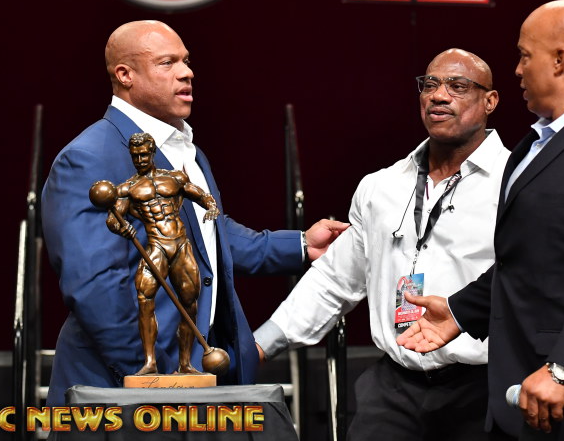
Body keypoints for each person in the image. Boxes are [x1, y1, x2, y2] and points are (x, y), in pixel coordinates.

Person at [398, 0, 564, 441]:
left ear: (560, 60)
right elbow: (528, 258)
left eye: (525, 56)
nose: (517, 70)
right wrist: (460, 311)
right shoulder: (533, 145)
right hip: (522, 391)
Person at [42, 20, 348, 406]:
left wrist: (302, 245)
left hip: (187, 383)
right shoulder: (88, 157)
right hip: (121, 393)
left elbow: (207, 235)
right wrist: (158, 382)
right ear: (125, 75)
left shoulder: (185, 150)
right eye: (167, 62)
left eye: (186, 61)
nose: (186, 72)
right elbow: (96, 289)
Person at [253, 49, 511, 441]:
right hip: (394, 387)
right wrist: (259, 344)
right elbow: (335, 280)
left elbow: (534, 280)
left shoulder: (514, 182)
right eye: (430, 84)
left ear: (490, 101)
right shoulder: (381, 186)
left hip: (481, 387)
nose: (439, 95)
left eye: (458, 86)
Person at [103, 132, 220, 376]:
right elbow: (113, 219)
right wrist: (121, 227)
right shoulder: (128, 188)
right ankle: (150, 363)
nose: (140, 160)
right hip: (156, 247)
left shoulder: (174, 177)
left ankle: (185, 364)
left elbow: (200, 194)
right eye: (136, 156)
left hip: (180, 245)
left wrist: (211, 206)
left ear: (153, 152)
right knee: (144, 297)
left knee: (189, 302)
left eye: (144, 154)